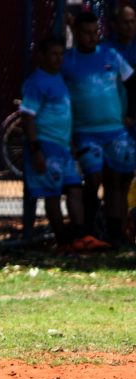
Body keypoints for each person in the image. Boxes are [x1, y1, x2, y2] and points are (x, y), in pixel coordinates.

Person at [61, 10, 136, 249]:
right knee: (93, 179)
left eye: (95, 33)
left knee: (116, 179)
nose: (92, 37)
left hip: (115, 130)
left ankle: (117, 232)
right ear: (76, 33)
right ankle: (87, 230)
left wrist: (130, 115)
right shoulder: (67, 61)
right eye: (86, 33)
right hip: (85, 132)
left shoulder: (110, 55)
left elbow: (133, 84)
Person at [21, 37, 96, 252]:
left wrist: (70, 142)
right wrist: (36, 150)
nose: (58, 59)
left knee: (75, 189)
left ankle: (81, 237)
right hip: (46, 146)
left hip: (63, 148)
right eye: (53, 54)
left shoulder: (60, 79)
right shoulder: (36, 83)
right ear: (42, 56)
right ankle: (62, 241)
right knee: (52, 194)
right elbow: (27, 116)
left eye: (61, 54)